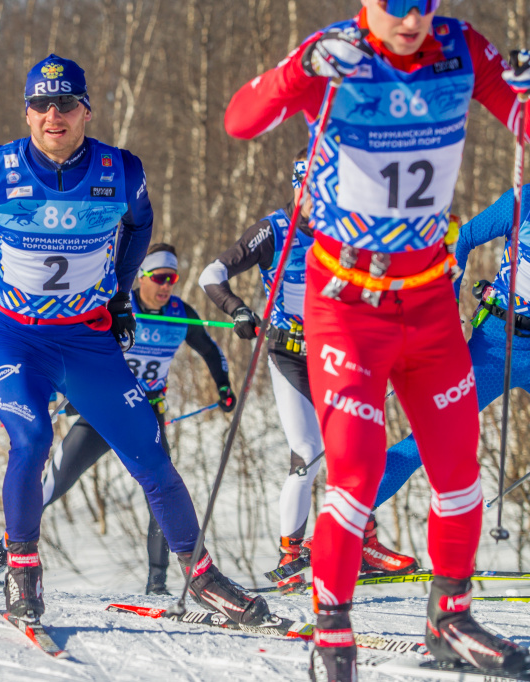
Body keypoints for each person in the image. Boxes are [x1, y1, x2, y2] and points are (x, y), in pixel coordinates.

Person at [0, 53, 270, 625]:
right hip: (18, 339)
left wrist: (121, 296)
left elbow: (140, 224)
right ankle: (22, 567)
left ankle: (201, 576)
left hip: (86, 339)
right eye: (42, 104)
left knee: (149, 451)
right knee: (32, 440)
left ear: (86, 110)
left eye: (66, 104)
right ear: (27, 112)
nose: (55, 115)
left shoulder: (121, 170)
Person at [225, 0, 530, 676]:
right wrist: (300, 68)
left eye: (425, 2)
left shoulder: (459, 48)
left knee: (459, 472)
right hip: (348, 306)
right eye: (395, 3)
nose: (412, 16)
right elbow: (240, 120)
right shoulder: (336, 51)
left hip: (427, 305)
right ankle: (331, 627)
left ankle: (449, 617)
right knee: (356, 474)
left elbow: (523, 124)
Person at [199, 152, 415, 594]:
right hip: (290, 355)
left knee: (356, 447)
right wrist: (238, 309)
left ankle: (366, 542)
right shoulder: (274, 229)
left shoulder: (352, 232)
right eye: (311, 187)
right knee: (308, 450)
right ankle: (292, 552)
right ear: (298, 186)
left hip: (338, 353)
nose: (319, 198)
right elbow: (211, 273)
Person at [0, 244, 236, 595]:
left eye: (172, 279)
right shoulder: (116, 306)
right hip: (99, 412)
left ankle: (157, 583)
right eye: (159, 277)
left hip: (146, 412)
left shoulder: (179, 312)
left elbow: (209, 348)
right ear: (140, 277)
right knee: (51, 485)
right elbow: (74, 352)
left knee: (159, 487)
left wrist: (223, 385)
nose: (166, 286)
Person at [374, 187, 530, 520]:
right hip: (495, 345)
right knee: (428, 439)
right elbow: (464, 237)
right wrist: (447, 306)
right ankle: (347, 522)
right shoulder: (524, 201)